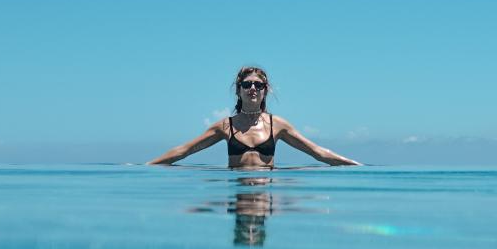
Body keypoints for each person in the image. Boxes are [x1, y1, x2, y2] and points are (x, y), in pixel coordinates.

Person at [148, 66, 361, 168]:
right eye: (247, 84)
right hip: (236, 191)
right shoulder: (225, 126)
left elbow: (317, 152)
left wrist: (356, 166)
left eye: (258, 85)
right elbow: (185, 150)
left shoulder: (277, 125)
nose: (252, 88)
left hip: (267, 193)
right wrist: (148, 166)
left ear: (265, 91)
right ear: (238, 90)